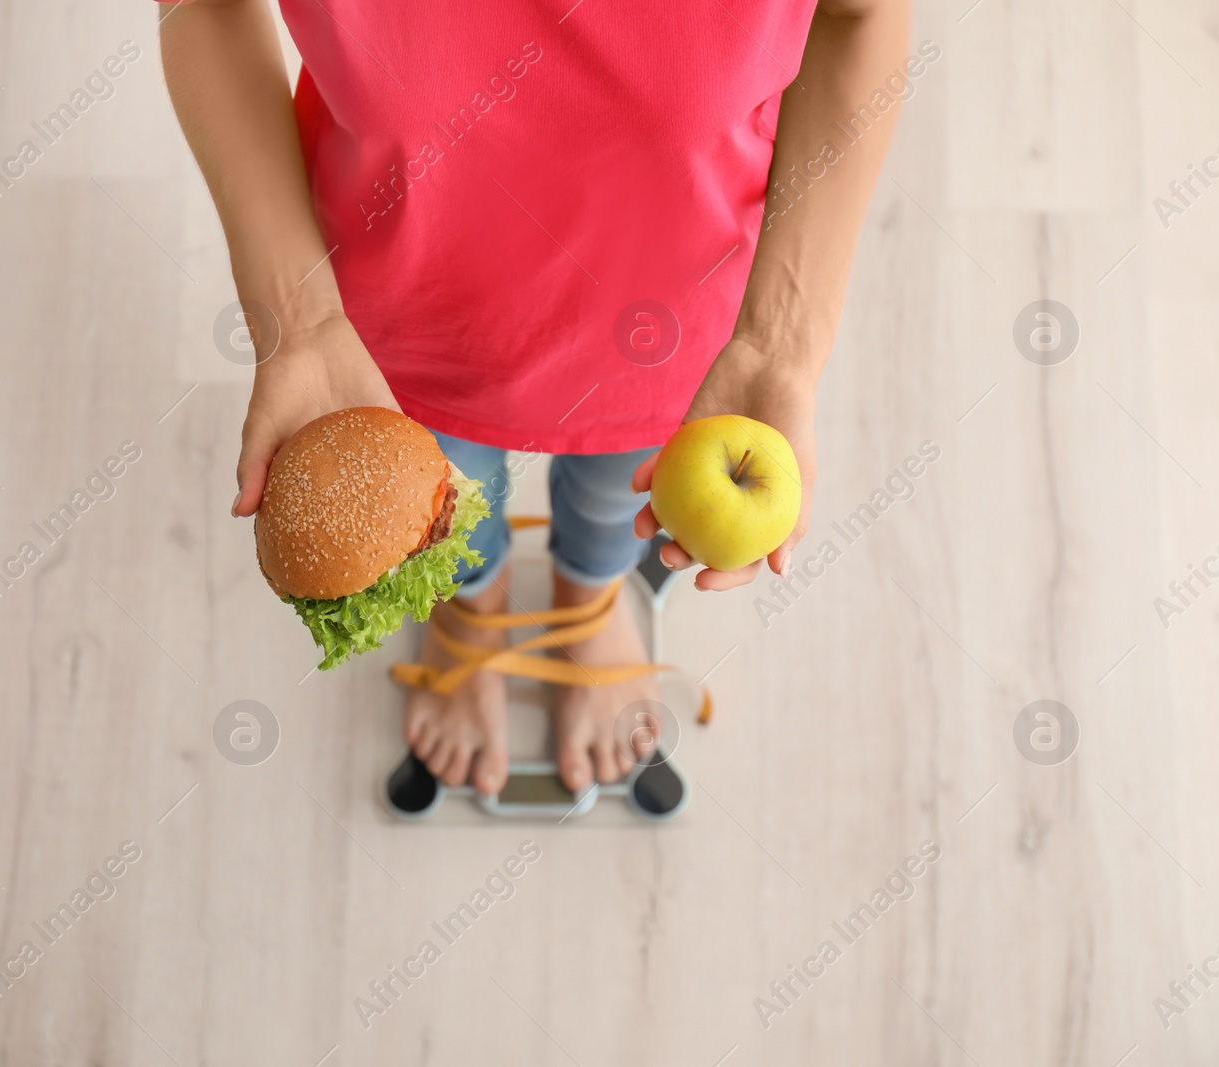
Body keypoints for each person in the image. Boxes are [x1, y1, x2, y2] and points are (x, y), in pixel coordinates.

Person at [159, 0, 910, 796]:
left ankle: (589, 599)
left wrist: (781, 343)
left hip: (676, 320)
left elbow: (860, 17)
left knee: (613, 495)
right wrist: (301, 320)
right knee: (443, 502)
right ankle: (464, 609)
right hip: (383, 312)